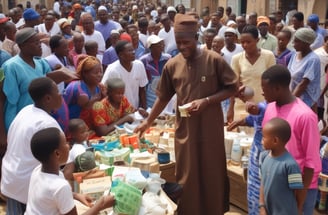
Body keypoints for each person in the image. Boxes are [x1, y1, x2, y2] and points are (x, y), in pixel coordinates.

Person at [134, 14, 238, 214]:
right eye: (179, 42)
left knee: (211, 170)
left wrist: (207, 101)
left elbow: (232, 88)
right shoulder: (173, 65)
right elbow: (163, 97)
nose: (182, 46)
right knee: (187, 174)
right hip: (186, 130)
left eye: (186, 42)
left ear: (196, 38)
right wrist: (148, 122)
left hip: (210, 128)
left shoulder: (214, 59)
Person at [261, 65, 321, 215]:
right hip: (274, 184)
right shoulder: (270, 109)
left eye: (265, 89)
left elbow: (311, 163)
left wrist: (299, 204)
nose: (262, 93)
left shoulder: (305, 116)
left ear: (277, 89)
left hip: (299, 189)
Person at [1, 77, 63, 214]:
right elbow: (60, 158)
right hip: (26, 184)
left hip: (11, 178)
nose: (61, 95)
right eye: (58, 92)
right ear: (48, 98)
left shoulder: (26, 110)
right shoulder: (47, 123)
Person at [26, 127, 115, 214]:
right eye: (65, 143)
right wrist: (101, 205)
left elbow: (51, 195)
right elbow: (57, 191)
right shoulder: (60, 186)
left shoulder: (37, 171)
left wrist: (76, 195)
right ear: (57, 153)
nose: (69, 146)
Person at [230, 25, 275, 121]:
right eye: (242, 42)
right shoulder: (237, 58)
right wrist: (231, 108)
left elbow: (273, 82)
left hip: (263, 106)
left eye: (248, 42)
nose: (245, 45)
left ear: (257, 40)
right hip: (242, 107)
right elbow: (233, 85)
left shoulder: (268, 56)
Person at [259, 117, 303, 215]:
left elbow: (298, 191)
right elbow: (263, 182)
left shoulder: (290, 165)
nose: (261, 140)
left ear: (275, 140)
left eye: (264, 137)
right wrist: (262, 206)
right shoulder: (264, 157)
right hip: (268, 210)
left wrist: (298, 210)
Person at [102, 40, 148, 109]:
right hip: (119, 112)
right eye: (129, 51)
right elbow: (105, 92)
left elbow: (142, 89)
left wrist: (144, 108)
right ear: (121, 55)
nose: (133, 52)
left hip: (135, 110)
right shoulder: (112, 70)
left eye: (133, 50)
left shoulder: (139, 65)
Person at [64, 55, 106, 130]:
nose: (99, 75)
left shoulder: (99, 87)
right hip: (73, 128)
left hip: (89, 126)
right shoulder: (78, 88)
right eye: (96, 73)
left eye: (100, 72)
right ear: (85, 74)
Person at [288, 27, 321, 109]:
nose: (293, 43)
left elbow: (303, 84)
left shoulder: (313, 59)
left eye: (296, 41)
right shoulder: (294, 55)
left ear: (305, 43)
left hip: (306, 102)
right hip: (293, 96)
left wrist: (289, 103)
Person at [139, 35, 171, 108]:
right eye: (158, 45)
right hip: (150, 94)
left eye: (161, 43)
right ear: (151, 48)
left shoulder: (168, 58)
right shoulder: (144, 60)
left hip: (164, 91)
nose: (161, 46)